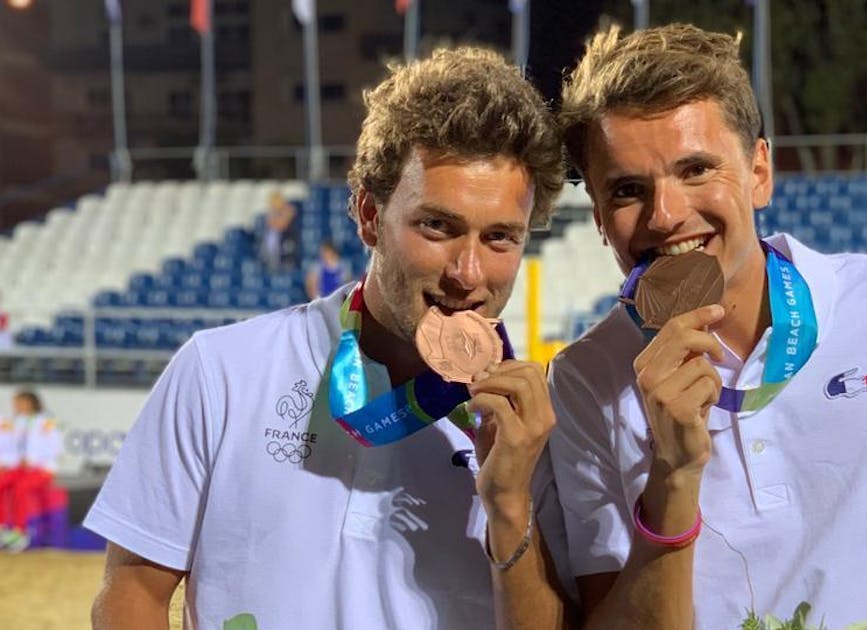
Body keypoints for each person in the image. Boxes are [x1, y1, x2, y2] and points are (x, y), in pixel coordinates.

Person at [546, 23, 867, 629]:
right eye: (628, 189)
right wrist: (673, 473)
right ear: (597, 217)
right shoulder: (586, 378)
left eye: (696, 170)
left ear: (759, 173)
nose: (666, 215)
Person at [87, 46, 573, 629]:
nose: (467, 274)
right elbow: (132, 594)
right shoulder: (221, 372)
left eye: (500, 238)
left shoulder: (537, 424)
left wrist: (510, 503)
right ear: (369, 214)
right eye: (437, 226)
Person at [0, 390, 64, 552]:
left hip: (42, 468)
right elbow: (9, 446)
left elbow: (55, 447)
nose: (16, 406)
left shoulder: (46, 421)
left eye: (19, 403)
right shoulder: (14, 422)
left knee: (20, 489)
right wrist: (6, 462)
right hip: (19, 467)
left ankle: (20, 532)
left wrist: (34, 459)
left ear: (30, 403)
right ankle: (2, 529)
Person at [257, 190, 300, 271]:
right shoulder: (272, 212)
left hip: (287, 238)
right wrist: (277, 220)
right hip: (274, 241)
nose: (273, 204)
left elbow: (283, 225)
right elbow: (270, 223)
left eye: (275, 201)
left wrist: (278, 221)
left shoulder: (289, 209)